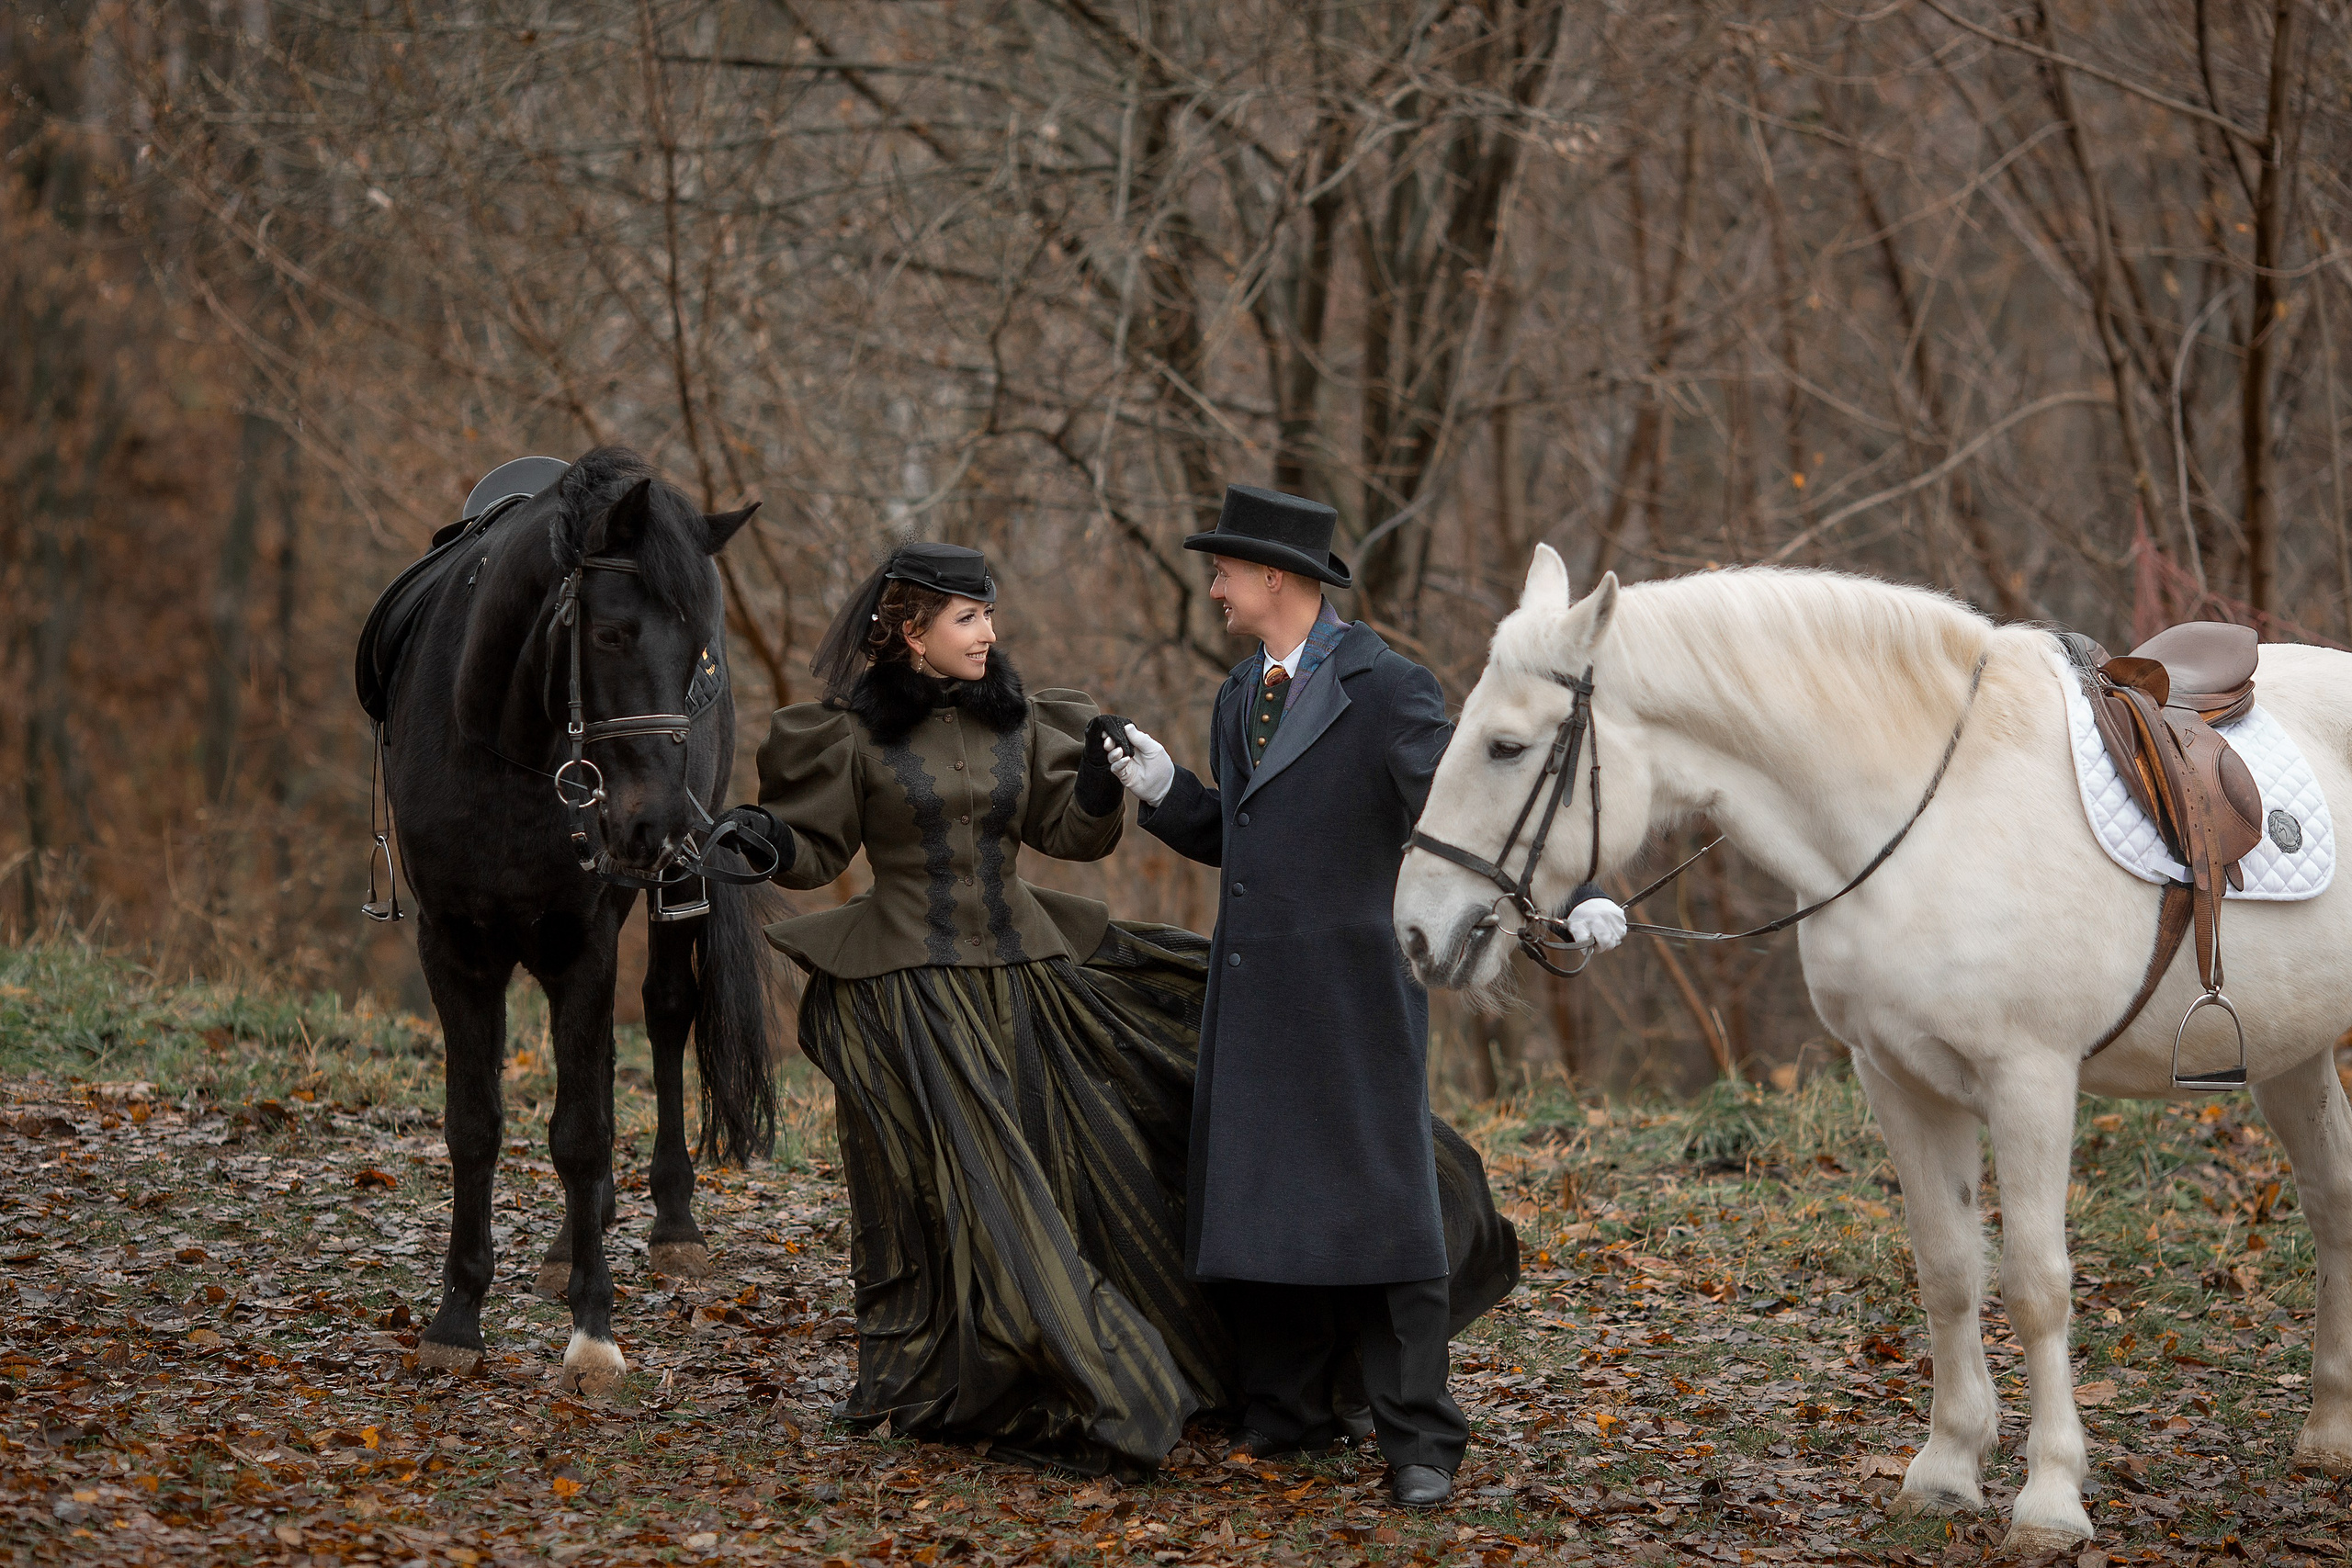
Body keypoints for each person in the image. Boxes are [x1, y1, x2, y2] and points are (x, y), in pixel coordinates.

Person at [719, 542, 1228, 1477]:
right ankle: (1017, 1378)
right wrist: (757, 837)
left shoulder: (1023, 724)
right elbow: (815, 850)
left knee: (1071, 1173)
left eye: (989, 616)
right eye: (966, 618)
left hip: (1025, 980)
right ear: (910, 632)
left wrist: (1099, 781)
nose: (989, 634)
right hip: (909, 998)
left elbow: (1066, 838)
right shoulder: (846, 735)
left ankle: (1135, 1357)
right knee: (957, 1192)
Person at [1098, 484, 1472, 1508]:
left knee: (1391, 1212)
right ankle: (1288, 1413)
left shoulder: (1390, 687)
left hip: (1357, 993)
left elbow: (1462, 819)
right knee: (1260, 1202)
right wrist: (1169, 791)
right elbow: (1238, 837)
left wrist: (1574, 896)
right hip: (1253, 990)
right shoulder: (1234, 694)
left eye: (1222, 570)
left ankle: (1419, 1444)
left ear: (1275, 577)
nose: (1212, 586)